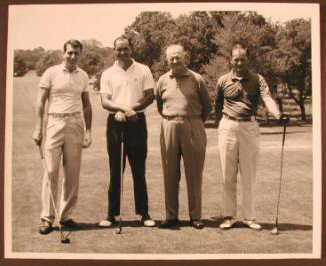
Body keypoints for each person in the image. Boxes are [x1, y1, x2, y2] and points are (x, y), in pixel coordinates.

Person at [215, 43, 288, 231]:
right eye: (236, 59)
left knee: (249, 174)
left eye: (243, 59)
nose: (239, 62)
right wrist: (223, 125)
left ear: (248, 60)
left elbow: (267, 99)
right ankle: (229, 216)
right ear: (231, 60)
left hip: (249, 127)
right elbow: (218, 106)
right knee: (227, 175)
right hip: (227, 126)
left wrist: (278, 114)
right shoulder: (223, 80)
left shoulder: (257, 79)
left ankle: (249, 217)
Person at [32, 39, 92, 234]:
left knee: (72, 174)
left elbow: (86, 105)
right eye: (70, 53)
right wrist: (38, 128)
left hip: (75, 124)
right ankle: (47, 218)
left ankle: (65, 217)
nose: (73, 56)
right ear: (63, 53)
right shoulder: (51, 73)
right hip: (54, 123)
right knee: (50, 171)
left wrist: (88, 131)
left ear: (80, 54)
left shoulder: (83, 75)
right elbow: (41, 102)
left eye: (76, 53)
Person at [99, 36, 155, 227]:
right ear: (114, 50)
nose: (122, 52)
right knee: (116, 170)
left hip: (137, 122)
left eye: (125, 49)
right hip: (115, 123)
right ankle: (111, 214)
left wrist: (130, 110)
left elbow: (150, 97)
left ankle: (144, 213)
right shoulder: (108, 73)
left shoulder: (143, 69)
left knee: (139, 170)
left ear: (131, 49)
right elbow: (105, 101)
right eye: (119, 49)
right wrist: (122, 110)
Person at [156, 44, 212, 229]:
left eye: (177, 56)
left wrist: (194, 122)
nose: (174, 60)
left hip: (193, 124)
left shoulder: (197, 79)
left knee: (194, 173)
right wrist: (172, 119)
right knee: (169, 173)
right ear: (166, 60)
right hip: (169, 125)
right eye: (171, 58)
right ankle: (171, 215)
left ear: (185, 57)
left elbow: (207, 106)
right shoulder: (162, 80)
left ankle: (195, 216)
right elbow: (159, 105)